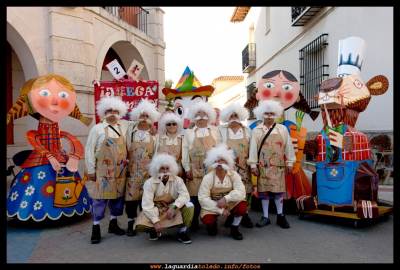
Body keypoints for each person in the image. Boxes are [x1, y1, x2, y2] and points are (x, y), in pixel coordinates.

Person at [6, 75, 92, 222]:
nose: (54, 101)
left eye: (62, 95)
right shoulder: (34, 134)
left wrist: (75, 157)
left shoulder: (58, 130)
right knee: (35, 187)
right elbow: (36, 142)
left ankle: (68, 208)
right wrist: (50, 157)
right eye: (45, 94)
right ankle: (37, 211)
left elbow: (72, 139)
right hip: (41, 161)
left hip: (60, 156)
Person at [85, 96, 134, 244]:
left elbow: (141, 123)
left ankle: (113, 223)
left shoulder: (124, 125)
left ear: (120, 112)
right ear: (103, 112)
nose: (112, 113)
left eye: (115, 110)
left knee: (118, 198)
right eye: (109, 110)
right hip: (102, 171)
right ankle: (96, 228)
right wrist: (91, 170)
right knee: (100, 199)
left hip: (120, 171)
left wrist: (150, 125)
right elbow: (89, 150)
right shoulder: (97, 129)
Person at [248, 100, 296, 229]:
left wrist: (290, 162)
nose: (269, 115)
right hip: (262, 167)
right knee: (264, 193)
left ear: (276, 114)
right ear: (261, 114)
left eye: (271, 113)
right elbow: (252, 149)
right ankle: (265, 216)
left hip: (278, 166)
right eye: (266, 113)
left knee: (278, 191)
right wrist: (253, 165)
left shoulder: (282, 129)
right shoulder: (256, 130)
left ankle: (281, 215)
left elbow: (288, 147)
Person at [134, 153, 194, 244]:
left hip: (172, 208)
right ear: (157, 169)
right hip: (156, 208)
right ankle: (153, 230)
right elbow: (147, 204)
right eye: (162, 168)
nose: (165, 171)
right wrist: (155, 221)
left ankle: (182, 232)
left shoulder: (178, 180)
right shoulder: (149, 183)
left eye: (167, 168)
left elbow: (185, 196)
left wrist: (174, 206)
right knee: (140, 226)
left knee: (189, 205)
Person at [182, 100, 222, 231]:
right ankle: (194, 220)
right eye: (198, 113)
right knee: (194, 197)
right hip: (195, 170)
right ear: (194, 116)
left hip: (212, 170)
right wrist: (187, 168)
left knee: (212, 196)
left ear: (209, 115)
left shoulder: (215, 130)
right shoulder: (189, 132)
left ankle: (212, 222)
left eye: (204, 112)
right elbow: (185, 151)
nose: (201, 115)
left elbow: (220, 149)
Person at [125, 99, 160, 236]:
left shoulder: (155, 135)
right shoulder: (130, 129)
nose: (144, 119)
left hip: (148, 172)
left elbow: (156, 152)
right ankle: (130, 222)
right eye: (142, 116)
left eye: (147, 116)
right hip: (133, 171)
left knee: (148, 198)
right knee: (131, 199)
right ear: (137, 116)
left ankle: (148, 223)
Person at [198, 143, 247, 240]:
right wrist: (220, 210)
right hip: (214, 205)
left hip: (229, 203)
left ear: (228, 162)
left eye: (223, 160)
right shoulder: (207, 178)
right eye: (217, 160)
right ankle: (212, 224)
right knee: (205, 218)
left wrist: (226, 198)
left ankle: (235, 228)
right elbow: (203, 199)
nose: (220, 162)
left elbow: (241, 191)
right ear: (213, 162)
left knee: (242, 207)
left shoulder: (234, 175)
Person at [217, 102, 254, 228]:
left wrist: (252, 164)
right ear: (227, 117)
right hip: (228, 168)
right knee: (229, 191)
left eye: (236, 115)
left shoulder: (248, 130)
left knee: (245, 191)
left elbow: (253, 149)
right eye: (231, 115)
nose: (233, 117)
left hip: (244, 168)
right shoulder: (220, 130)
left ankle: (245, 214)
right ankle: (232, 215)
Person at [157, 112, 184, 176]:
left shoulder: (182, 139)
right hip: (163, 173)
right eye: (169, 124)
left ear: (177, 125)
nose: (171, 126)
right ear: (165, 126)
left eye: (174, 124)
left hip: (177, 172)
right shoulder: (159, 138)